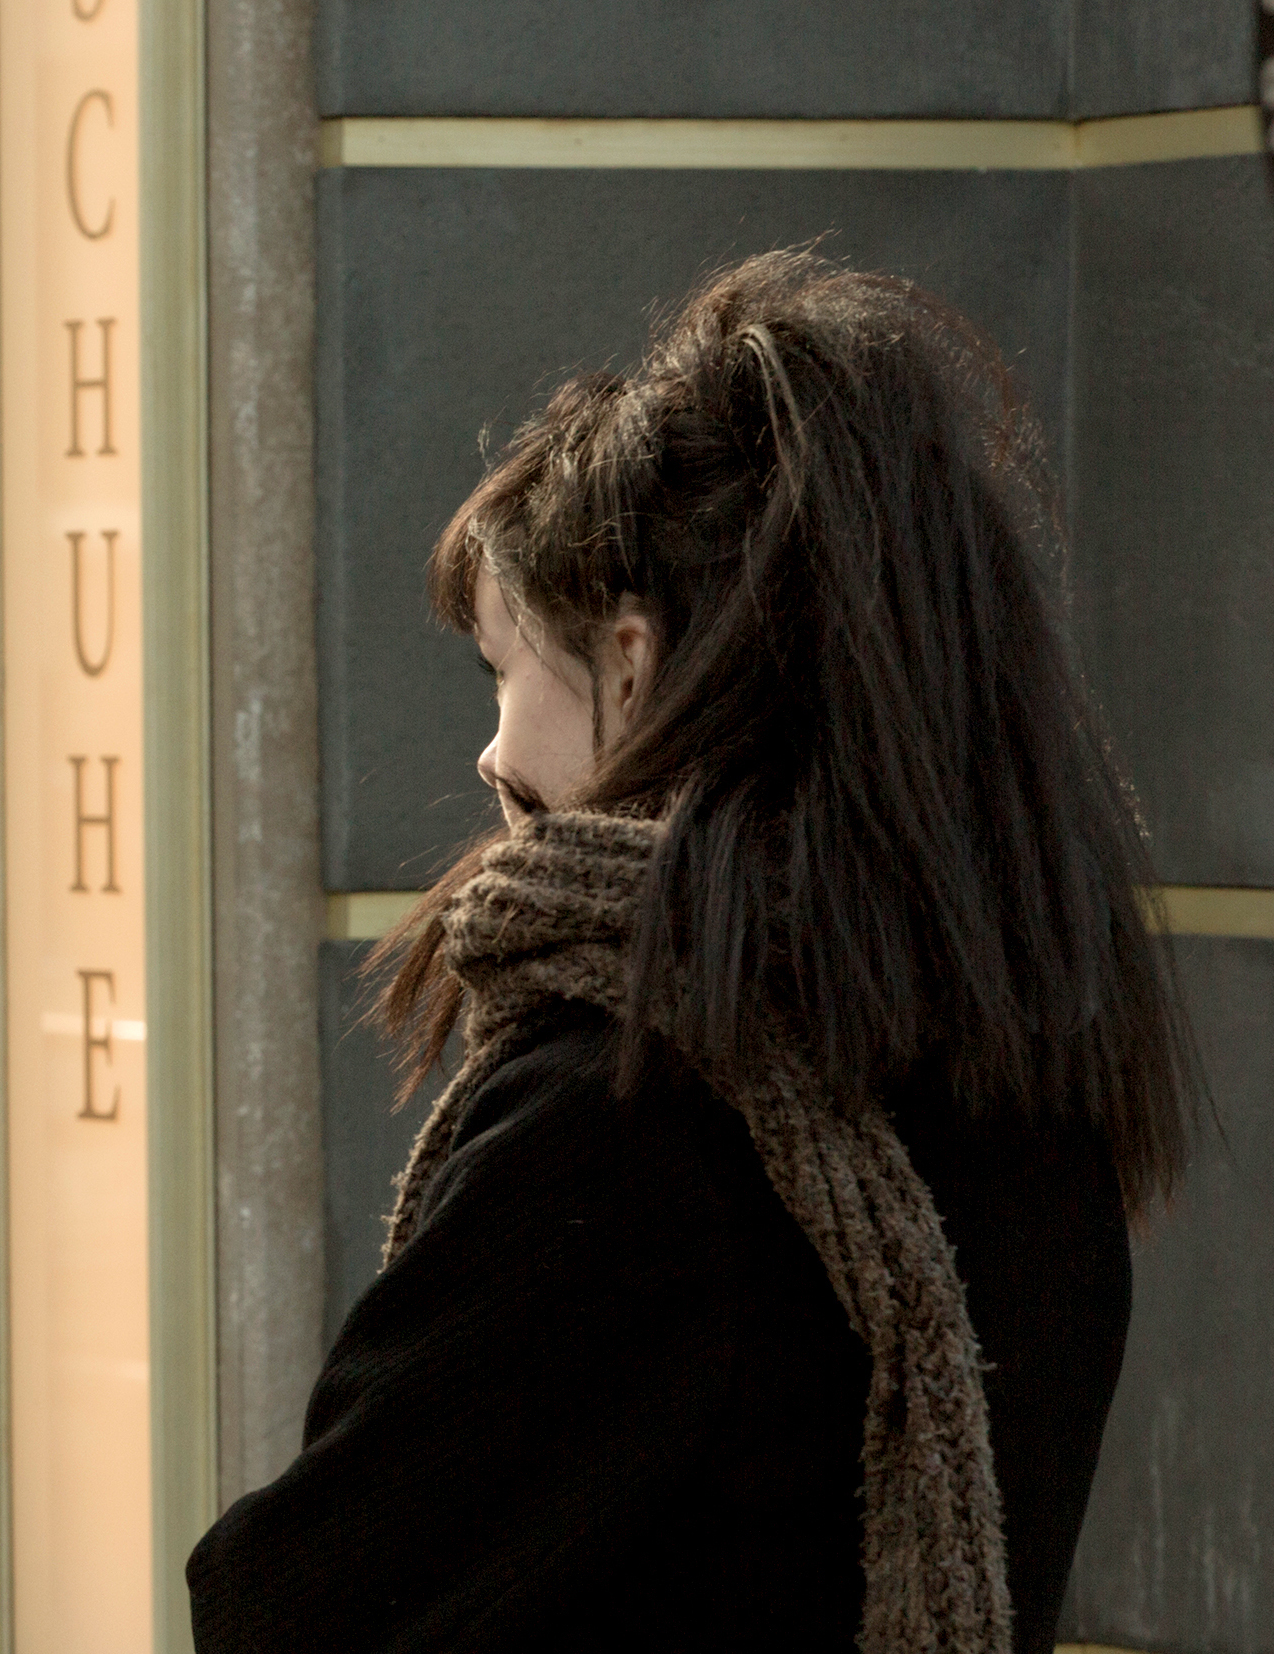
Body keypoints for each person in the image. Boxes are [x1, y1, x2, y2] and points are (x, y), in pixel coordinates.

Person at [186, 251, 1195, 1653]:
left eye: (503, 669)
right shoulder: (1032, 1084)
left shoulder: (623, 1115)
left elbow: (292, 1605)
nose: (487, 754)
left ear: (632, 660)